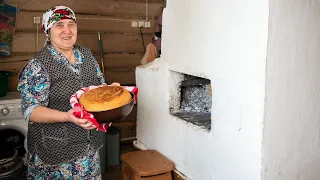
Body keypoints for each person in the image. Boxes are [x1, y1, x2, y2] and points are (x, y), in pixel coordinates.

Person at [17, 5, 118, 179]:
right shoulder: (39, 65)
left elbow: (98, 87)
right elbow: (31, 110)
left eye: (71, 24)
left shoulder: (85, 55)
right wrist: (67, 116)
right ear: (48, 30)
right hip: (55, 157)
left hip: (88, 153)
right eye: (59, 25)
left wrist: (112, 90)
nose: (67, 30)